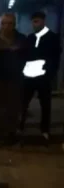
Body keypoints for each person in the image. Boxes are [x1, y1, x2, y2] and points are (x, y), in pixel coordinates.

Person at [0, 13, 27, 144]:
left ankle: (11, 134)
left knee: (13, 109)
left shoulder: (22, 40)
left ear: (14, 25)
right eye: (3, 23)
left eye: (9, 23)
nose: (6, 26)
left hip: (16, 81)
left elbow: (28, 59)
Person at [20, 11, 62, 142]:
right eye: (33, 21)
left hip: (44, 77)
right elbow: (24, 55)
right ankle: (20, 126)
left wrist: (50, 73)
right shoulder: (30, 38)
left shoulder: (53, 38)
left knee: (45, 104)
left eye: (37, 21)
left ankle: (45, 129)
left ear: (44, 21)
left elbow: (56, 58)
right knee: (23, 102)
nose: (35, 24)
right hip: (29, 76)